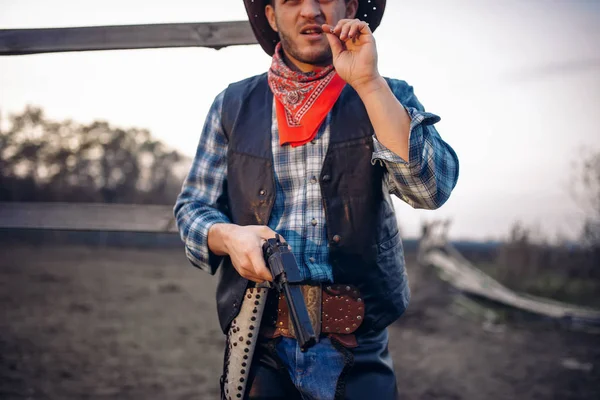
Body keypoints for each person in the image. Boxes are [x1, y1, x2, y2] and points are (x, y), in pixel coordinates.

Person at [174, 0, 459, 398]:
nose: (310, 10)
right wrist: (229, 237)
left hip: (357, 348)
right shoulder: (232, 105)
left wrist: (368, 84)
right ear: (272, 15)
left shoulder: (387, 94)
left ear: (350, 7)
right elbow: (192, 209)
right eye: (292, 0)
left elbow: (431, 190)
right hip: (258, 343)